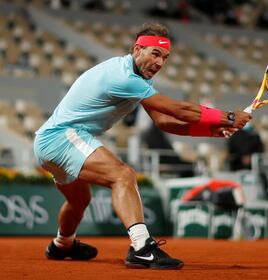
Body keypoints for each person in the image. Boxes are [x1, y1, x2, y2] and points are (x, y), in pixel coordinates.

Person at [33, 22, 251, 270]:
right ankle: (142, 248)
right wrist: (228, 117)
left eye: (165, 57)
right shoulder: (123, 76)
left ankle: (62, 244)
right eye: (155, 54)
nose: (159, 63)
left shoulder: (135, 78)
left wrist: (212, 130)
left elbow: (164, 121)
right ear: (138, 50)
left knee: (79, 200)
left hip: (48, 143)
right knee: (122, 175)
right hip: (61, 137)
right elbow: (177, 109)